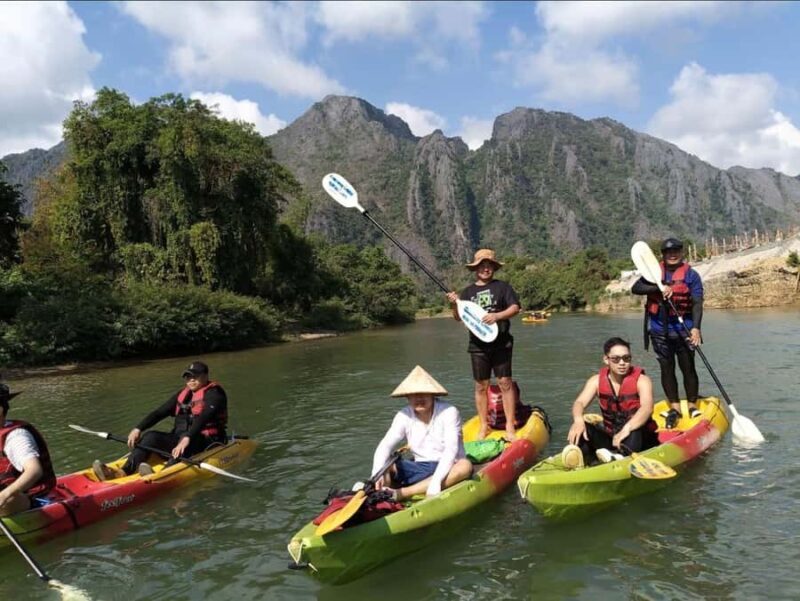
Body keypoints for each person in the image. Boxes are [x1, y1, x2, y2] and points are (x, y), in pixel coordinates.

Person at [93, 361, 228, 480]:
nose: (191, 380)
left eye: (195, 376)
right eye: (188, 377)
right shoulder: (183, 395)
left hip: (206, 441)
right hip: (181, 439)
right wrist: (138, 428)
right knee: (151, 436)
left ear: (205, 376)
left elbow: (204, 417)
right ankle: (124, 471)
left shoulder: (215, 394)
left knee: (188, 441)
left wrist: (187, 437)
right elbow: (159, 413)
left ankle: (161, 476)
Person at [446, 249, 521, 440]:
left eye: (489, 265)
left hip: (501, 342)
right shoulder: (468, 292)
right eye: (481, 265)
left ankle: (510, 426)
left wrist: (497, 316)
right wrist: (455, 303)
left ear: (493, 268)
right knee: (481, 385)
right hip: (478, 345)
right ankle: (483, 426)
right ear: (476, 268)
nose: (485, 269)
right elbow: (458, 317)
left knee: (505, 382)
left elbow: (515, 308)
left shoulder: (503, 287)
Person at [631, 238, 704, 428]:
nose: (673, 254)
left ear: (681, 253)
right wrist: (659, 287)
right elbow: (636, 288)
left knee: (688, 368)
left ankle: (692, 404)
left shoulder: (691, 275)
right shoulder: (653, 273)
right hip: (659, 330)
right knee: (666, 368)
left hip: (684, 329)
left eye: (676, 251)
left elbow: (697, 303)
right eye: (668, 252)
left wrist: (696, 328)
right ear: (663, 255)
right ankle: (674, 406)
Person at [372, 366, 473, 501]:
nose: (419, 398)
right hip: (419, 466)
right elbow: (385, 445)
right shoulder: (403, 415)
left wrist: (436, 481)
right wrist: (377, 474)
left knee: (465, 466)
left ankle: (401, 494)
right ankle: (379, 494)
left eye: (423, 394)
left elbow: (451, 450)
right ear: (407, 397)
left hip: (448, 466)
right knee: (386, 464)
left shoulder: (449, 412)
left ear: (432, 395)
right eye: (413, 394)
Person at [562, 338, 658, 468]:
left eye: (626, 358)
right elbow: (579, 402)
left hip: (637, 437)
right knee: (584, 426)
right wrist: (578, 420)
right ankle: (584, 459)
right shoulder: (595, 381)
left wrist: (626, 429)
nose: (622, 363)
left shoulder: (642, 380)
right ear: (606, 359)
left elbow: (647, 408)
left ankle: (619, 458)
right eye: (616, 359)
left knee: (635, 429)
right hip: (612, 437)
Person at [0, 379, 56, 516]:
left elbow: (34, 471)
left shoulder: (16, 437)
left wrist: (4, 495)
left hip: (32, 498)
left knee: (9, 500)